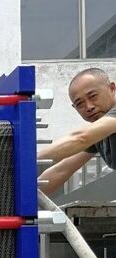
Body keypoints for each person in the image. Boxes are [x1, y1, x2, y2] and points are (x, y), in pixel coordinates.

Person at [38, 67, 116, 195]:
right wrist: (18, 197)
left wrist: (23, 158)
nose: (89, 107)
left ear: (112, 88)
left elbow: (80, 138)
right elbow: (61, 170)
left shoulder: (96, 131)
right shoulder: (99, 134)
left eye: (93, 96)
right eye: (80, 104)